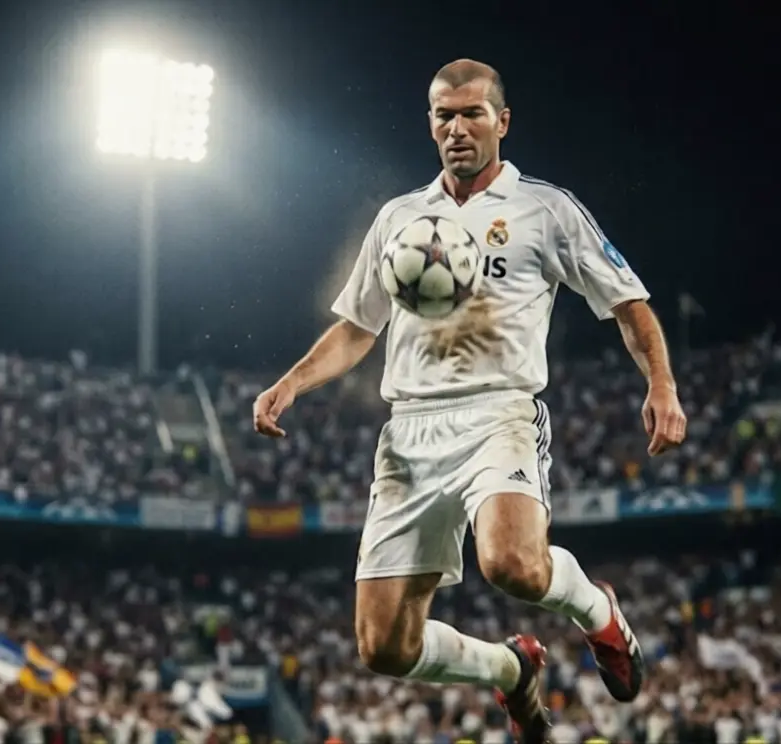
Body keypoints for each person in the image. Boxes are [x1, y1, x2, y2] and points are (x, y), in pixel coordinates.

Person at [252, 58, 687, 743]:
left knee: (512, 564)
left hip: (499, 414)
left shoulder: (546, 209)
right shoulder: (400, 218)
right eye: (443, 116)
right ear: (430, 125)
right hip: (409, 436)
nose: (457, 128)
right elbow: (359, 326)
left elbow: (630, 304)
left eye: (472, 114)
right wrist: (292, 382)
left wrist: (660, 384)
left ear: (502, 121)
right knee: (384, 648)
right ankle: (510, 672)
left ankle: (597, 613)